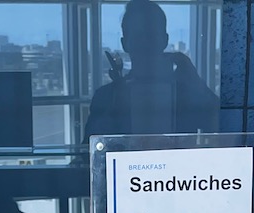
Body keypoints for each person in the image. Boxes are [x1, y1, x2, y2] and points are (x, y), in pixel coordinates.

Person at [84, 0, 219, 139]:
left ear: (165, 40)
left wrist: (195, 83)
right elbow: (88, 151)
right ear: (125, 44)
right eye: (138, 37)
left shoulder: (107, 96)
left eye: (151, 35)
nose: (145, 43)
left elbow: (222, 125)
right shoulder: (107, 98)